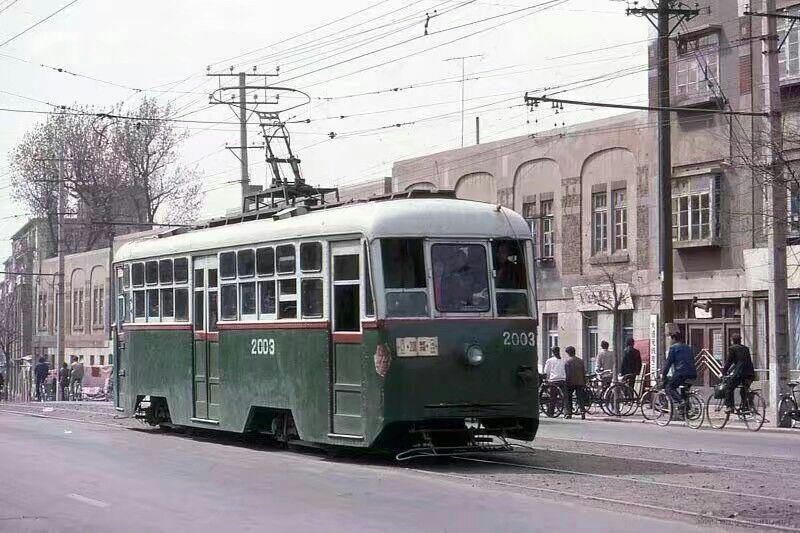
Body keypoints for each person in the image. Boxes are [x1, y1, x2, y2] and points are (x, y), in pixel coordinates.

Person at [662, 331, 697, 407]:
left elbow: (668, 363)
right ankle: (687, 412)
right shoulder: (688, 347)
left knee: (669, 387)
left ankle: (681, 402)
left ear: (674, 339)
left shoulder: (673, 348)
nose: (670, 341)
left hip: (681, 373)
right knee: (684, 391)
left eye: (671, 339)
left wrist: (664, 375)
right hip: (692, 374)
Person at [722, 334, 755, 414]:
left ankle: (730, 406)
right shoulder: (745, 348)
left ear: (732, 341)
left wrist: (723, 372)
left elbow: (729, 362)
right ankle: (746, 407)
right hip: (750, 373)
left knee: (729, 387)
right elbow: (741, 362)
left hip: (740, 373)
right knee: (744, 389)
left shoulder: (732, 348)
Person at [563, 346, 587, 420]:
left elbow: (567, 373)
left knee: (568, 397)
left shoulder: (567, 361)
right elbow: (583, 372)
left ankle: (568, 413)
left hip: (571, 382)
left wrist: (566, 382)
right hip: (580, 382)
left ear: (568, 353)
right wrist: (584, 381)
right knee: (580, 398)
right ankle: (582, 412)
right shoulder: (580, 360)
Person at [542, 346, 566, 417]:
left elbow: (546, 371)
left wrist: (546, 379)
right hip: (562, 380)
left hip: (554, 381)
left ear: (553, 352)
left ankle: (551, 412)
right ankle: (566, 412)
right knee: (565, 397)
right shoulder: (563, 360)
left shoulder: (550, 360)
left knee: (553, 397)